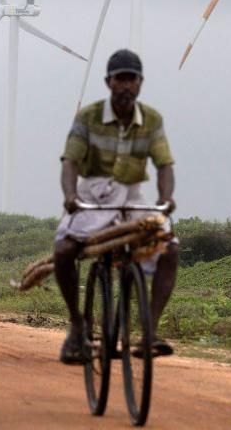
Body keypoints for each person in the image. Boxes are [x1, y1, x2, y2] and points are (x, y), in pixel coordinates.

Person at [54, 49, 178, 364]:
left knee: (170, 248)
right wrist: (70, 196)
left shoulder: (152, 120)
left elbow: (164, 165)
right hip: (93, 196)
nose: (125, 86)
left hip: (133, 197)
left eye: (131, 79)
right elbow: (70, 161)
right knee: (64, 250)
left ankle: (149, 330)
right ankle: (78, 323)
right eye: (119, 79)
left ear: (140, 83)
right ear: (108, 82)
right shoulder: (88, 117)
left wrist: (165, 198)